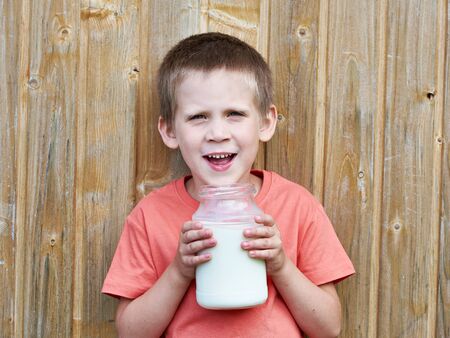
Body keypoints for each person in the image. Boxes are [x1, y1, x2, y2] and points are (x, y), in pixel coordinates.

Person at [102, 32, 355, 338]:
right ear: (169, 130)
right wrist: (180, 270)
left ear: (265, 122)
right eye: (198, 117)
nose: (217, 132)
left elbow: (329, 327)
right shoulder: (150, 216)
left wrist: (280, 266)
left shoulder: (298, 206)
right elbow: (130, 333)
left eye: (234, 114)